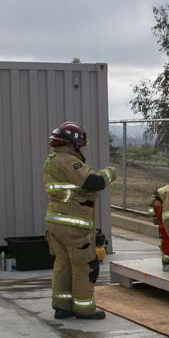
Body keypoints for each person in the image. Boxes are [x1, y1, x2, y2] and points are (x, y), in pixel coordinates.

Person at [43, 121, 114, 320]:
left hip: (56, 223)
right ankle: (84, 309)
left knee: (62, 265)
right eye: (80, 145)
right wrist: (110, 173)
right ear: (72, 143)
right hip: (73, 224)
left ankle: (62, 306)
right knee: (83, 265)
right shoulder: (68, 161)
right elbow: (93, 182)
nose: (81, 148)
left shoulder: (52, 160)